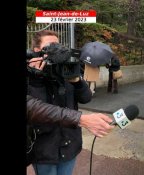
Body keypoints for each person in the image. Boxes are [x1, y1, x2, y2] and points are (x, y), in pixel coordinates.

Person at [27, 30, 94, 175]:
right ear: (36, 51)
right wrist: (36, 79)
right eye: (50, 46)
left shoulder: (65, 68)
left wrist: (77, 81)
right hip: (44, 151)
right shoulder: (29, 75)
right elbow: (35, 111)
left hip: (70, 145)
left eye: (57, 45)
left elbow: (86, 98)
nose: (56, 49)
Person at [26, 95, 114, 166]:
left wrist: (78, 81)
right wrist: (80, 119)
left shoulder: (67, 74)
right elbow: (30, 106)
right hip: (44, 146)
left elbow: (86, 97)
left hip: (70, 140)